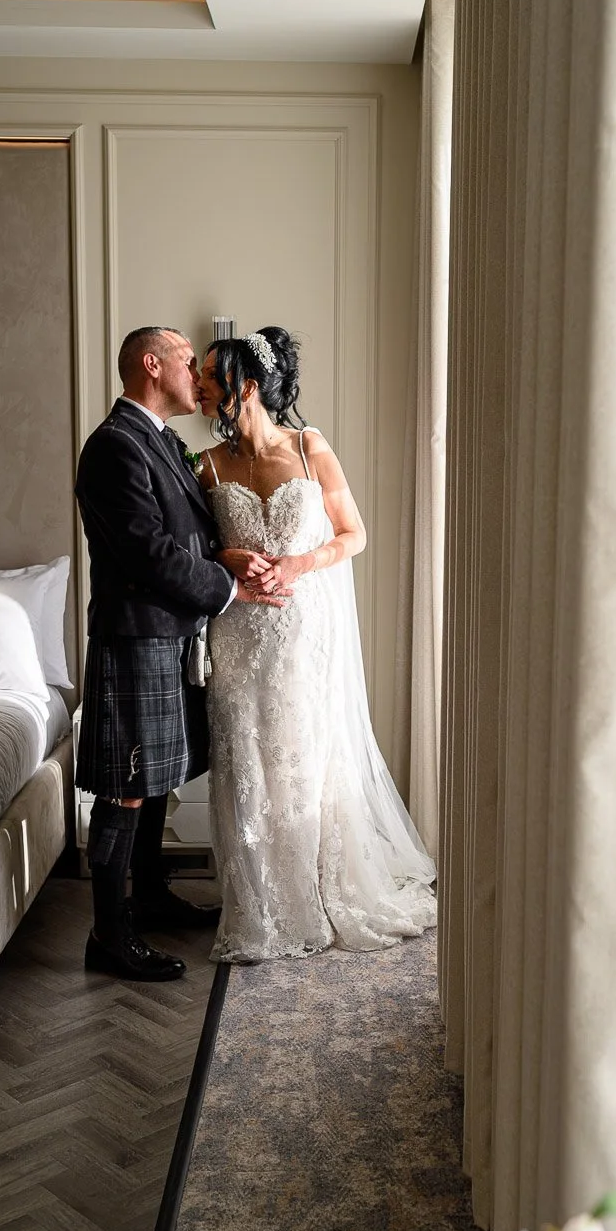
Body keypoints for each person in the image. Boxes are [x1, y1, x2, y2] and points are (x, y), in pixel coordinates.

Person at [197, 326, 437, 963]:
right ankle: (260, 908)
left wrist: (300, 564)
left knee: (304, 757)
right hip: (239, 634)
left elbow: (353, 533)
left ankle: (319, 892)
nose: (199, 387)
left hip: (302, 631)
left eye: (211, 377)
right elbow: (194, 553)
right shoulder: (207, 465)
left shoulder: (310, 448)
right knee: (246, 761)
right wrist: (229, 557)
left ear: (247, 386)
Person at [74, 326, 285, 981]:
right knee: (126, 787)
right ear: (151, 365)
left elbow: (186, 532)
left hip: (169, 633)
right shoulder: (114, 445)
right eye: (188, 362)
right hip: (135, 636)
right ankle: (109, 936)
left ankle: (151, 897)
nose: (198, 374)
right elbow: (149, 552)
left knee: (153, 778)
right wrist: (231, 587)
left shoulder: (161, 440)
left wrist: (229, 555)